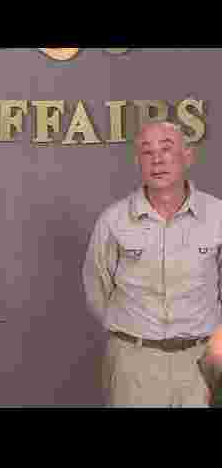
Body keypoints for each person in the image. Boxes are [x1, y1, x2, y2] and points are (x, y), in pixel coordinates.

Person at [83, 120, 222, 407]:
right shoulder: (114, 220)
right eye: (147, 152)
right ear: (138, 162)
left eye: (166, 149)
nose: (157, 159)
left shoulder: (217, 216)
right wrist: (132, 335)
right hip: (134, 362)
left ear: (188, 156)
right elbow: (97, 288)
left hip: (202, 362)